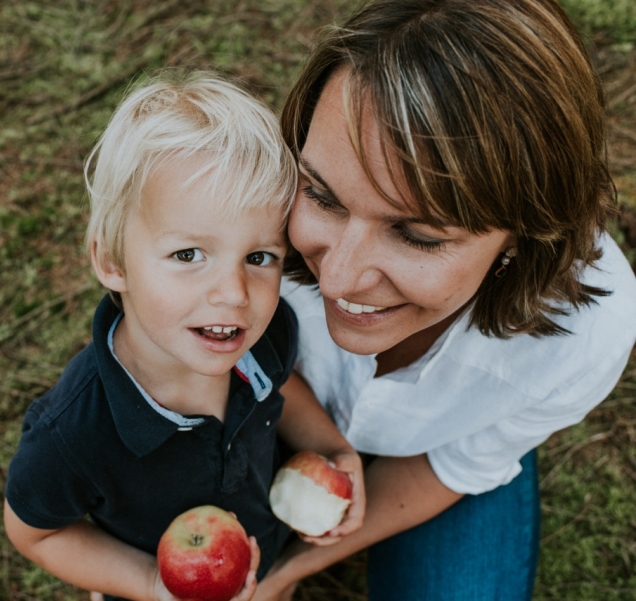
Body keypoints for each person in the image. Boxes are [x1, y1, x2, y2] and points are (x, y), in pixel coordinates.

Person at [253, 0, 636, 600]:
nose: (338, 280)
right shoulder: (247, 212)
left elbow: (456, 465)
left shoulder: (588, 334)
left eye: (417, 235)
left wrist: (284, 572)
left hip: (432, 453)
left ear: (524, 231)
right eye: (322, 195)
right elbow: (190, 347)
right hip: (257, 403)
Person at [3, 73, 365, 601]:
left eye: (258, 257)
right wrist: (151, 583)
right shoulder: (72, 434)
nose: (233, 293)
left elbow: (277, 390)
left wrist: (333, 449)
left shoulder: (266, 335)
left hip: (254, 562)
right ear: (111, 261)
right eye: (188, 255)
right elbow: (35, 532)